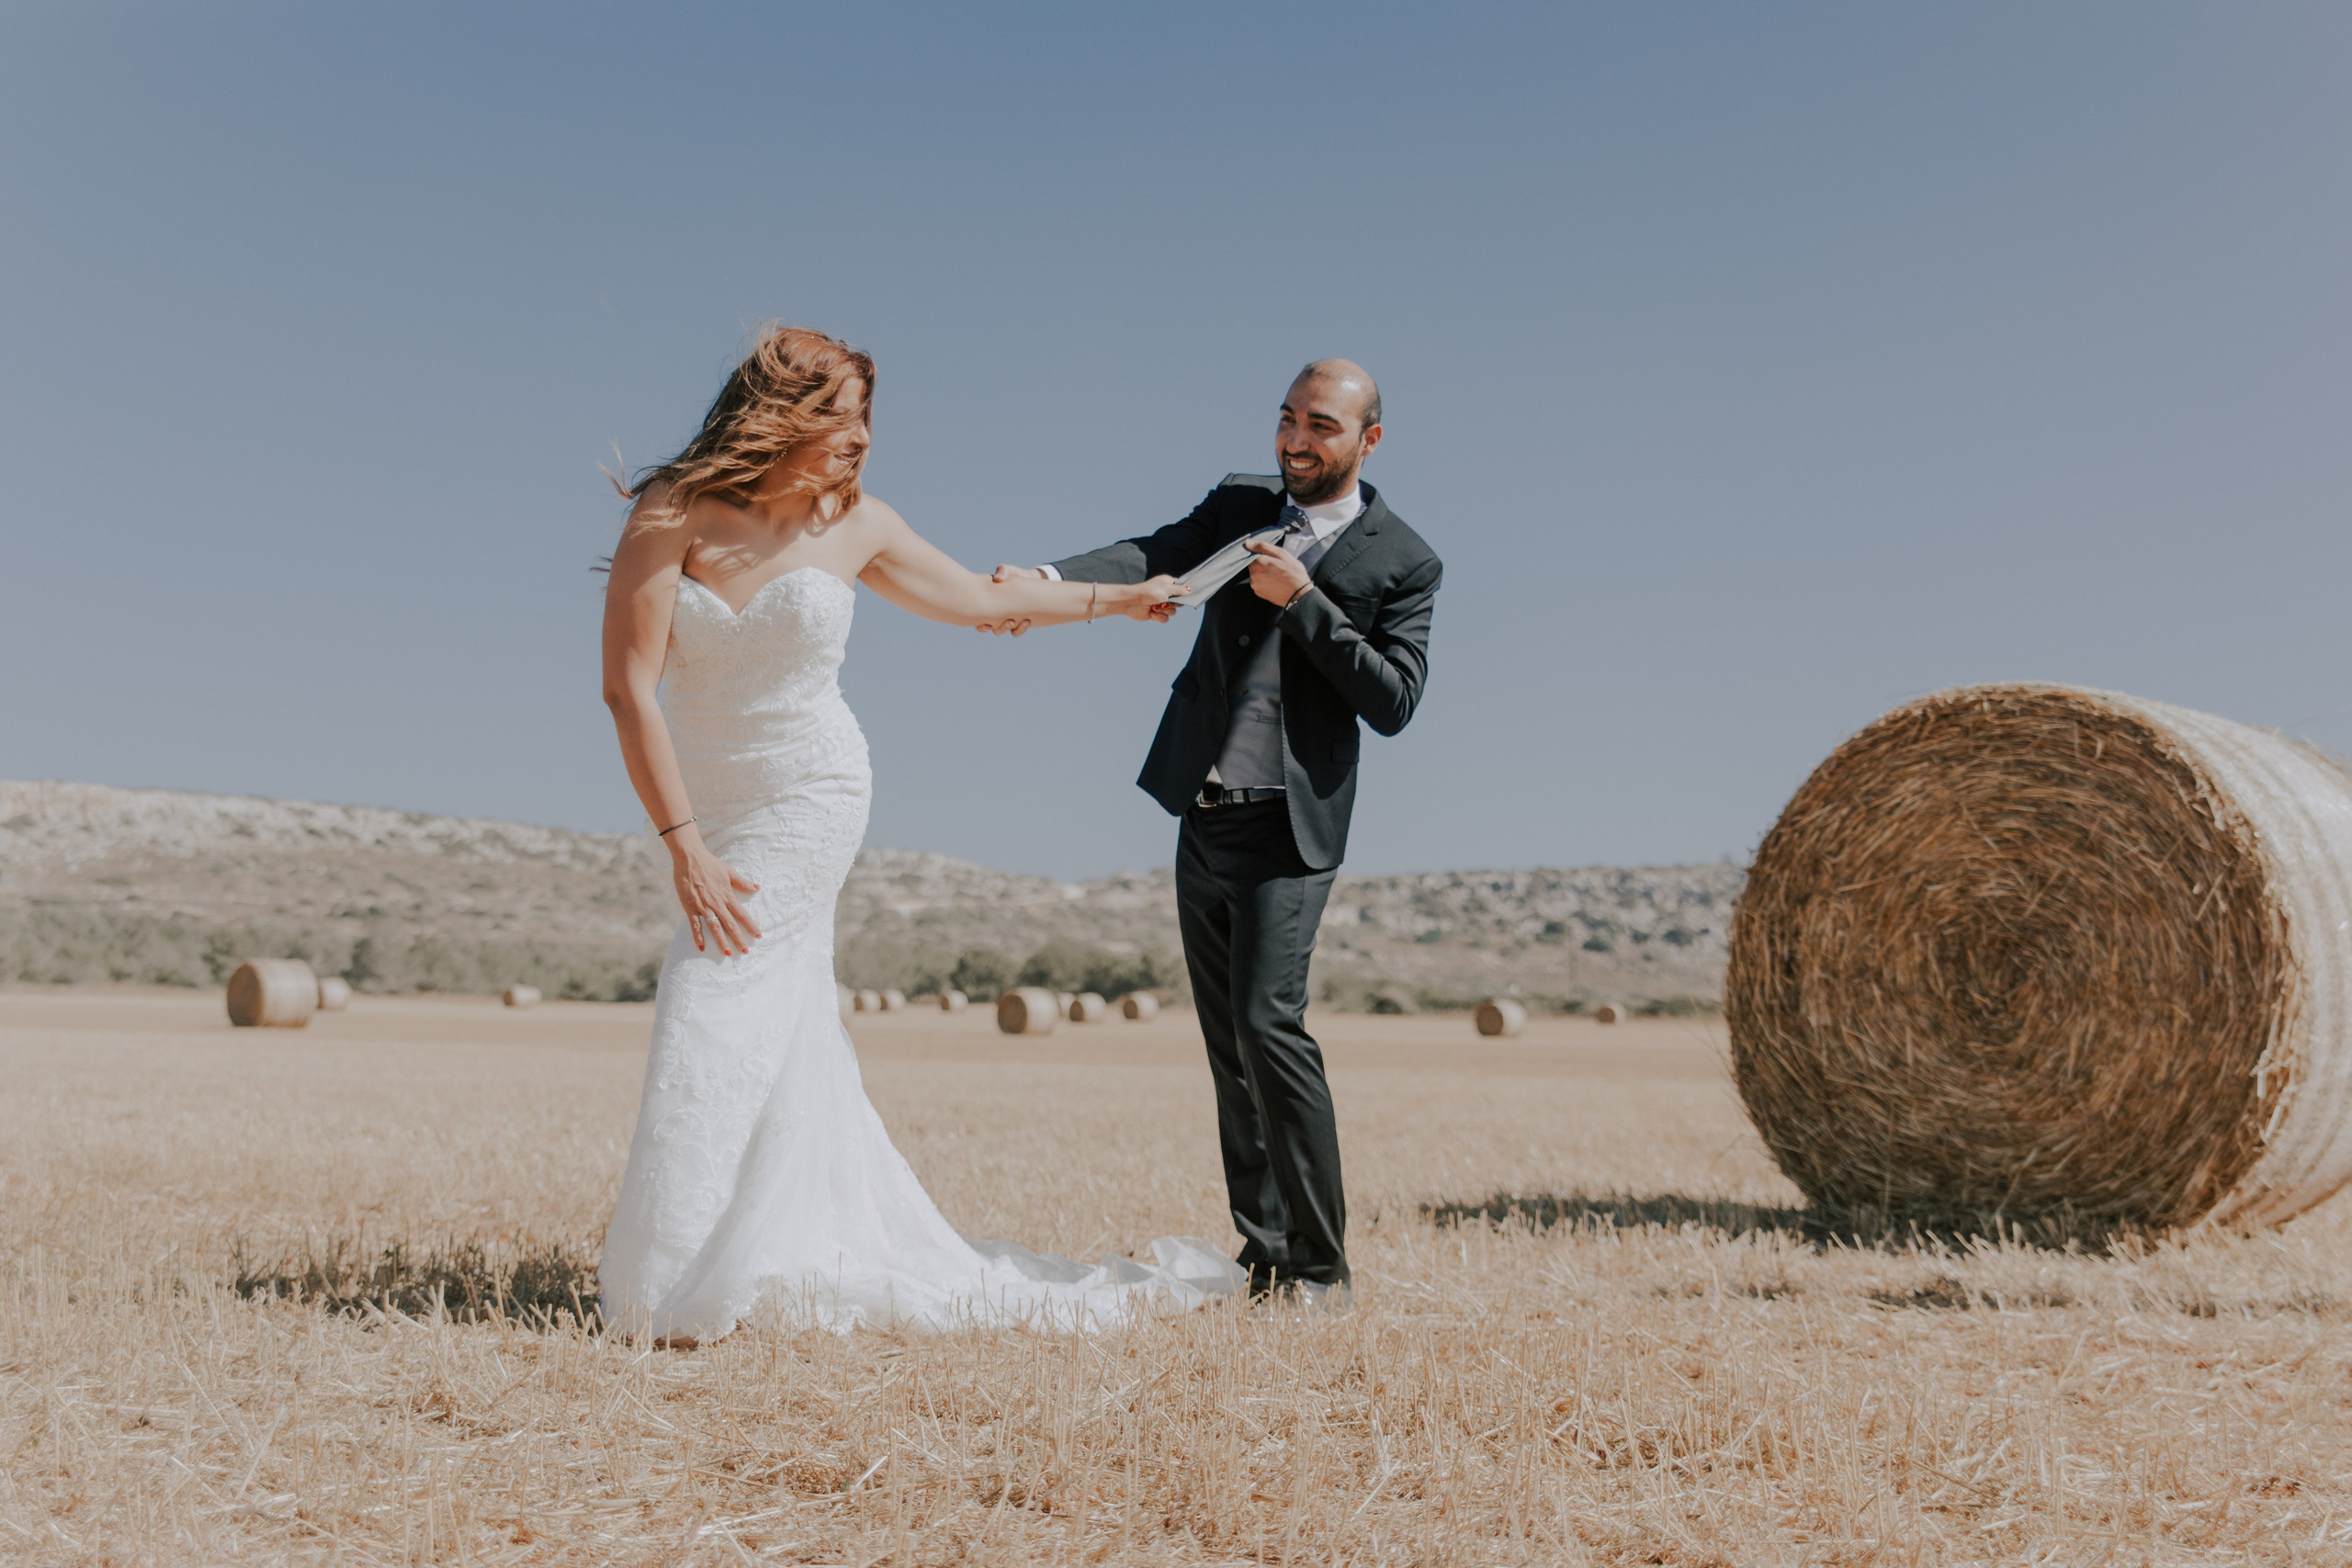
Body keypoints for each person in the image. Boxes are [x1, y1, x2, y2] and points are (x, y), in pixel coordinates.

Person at [594, 323, 1238, 1344]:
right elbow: (628, 692)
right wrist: (683, 845)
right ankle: (746, 1258)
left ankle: (675, 1291)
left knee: (710, 995)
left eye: (865, 420)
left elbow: (985, 600)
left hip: (813, 791)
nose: (857, 440)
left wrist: (1121, 599)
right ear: (779, 413)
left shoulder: (860, 524)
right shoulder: (672, 508)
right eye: (839, 419)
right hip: (710, 802)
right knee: (768, 1018)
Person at [992, 360, 1442, 1304]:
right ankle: (1265, 1254)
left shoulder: (1404, 558)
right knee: (1226, 1047)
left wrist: (1305, 605)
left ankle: (1322, 1268)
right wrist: (1045, 582)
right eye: (1285, 420)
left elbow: (1395, 699)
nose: (1294, 440)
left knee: (1268, 1026)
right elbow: (1150, 552)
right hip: (1203, 813)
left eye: (1319, 425)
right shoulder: (1241, 503)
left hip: (1291, 829)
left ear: (1368, 439)